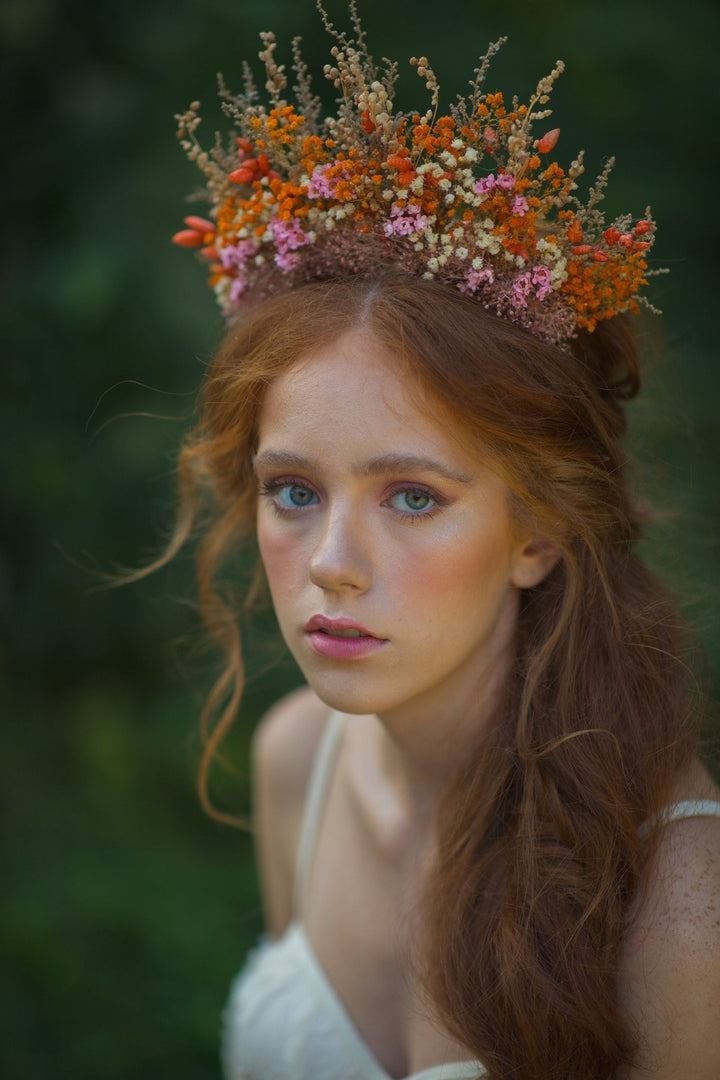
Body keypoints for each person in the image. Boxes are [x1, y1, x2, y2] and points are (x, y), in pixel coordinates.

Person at [167, 8, 720, 1079]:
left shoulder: (683, 912)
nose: (332, 559)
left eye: (412, 497)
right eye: (292, 489)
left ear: (541, 530)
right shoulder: (297, 765)